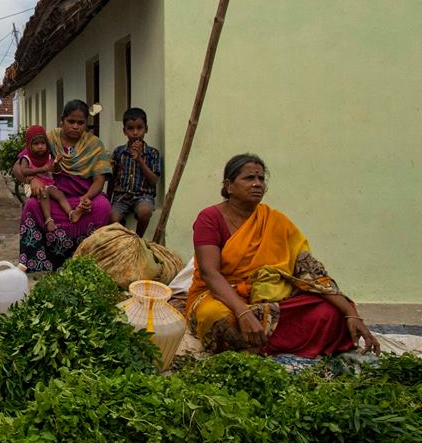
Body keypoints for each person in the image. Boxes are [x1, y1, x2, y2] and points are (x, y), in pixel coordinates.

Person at [186, 153, 380, 357]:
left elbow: (310, 273)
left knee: (332, 313)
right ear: (229, 186)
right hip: (219, 296)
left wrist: (351, 312)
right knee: (216, 317)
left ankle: (258, 344)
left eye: (261, 179)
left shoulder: (276, 221)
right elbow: (210, 273)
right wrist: (243, 312)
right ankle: (261, 342)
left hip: (269, 296)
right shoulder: (210, 218)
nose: (257, 184)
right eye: (249, 178)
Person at [13, 99, 112, 272]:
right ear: (62, 120)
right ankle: (35, 261)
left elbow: (99, 179)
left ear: (86, 124)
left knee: (103, 206)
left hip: (83, 199)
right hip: (55, 199)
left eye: (81, 123)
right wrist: (32, 179)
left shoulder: (94, 144)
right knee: (31, 205)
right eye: (71, 121)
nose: (75, 126)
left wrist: (87, 198)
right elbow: (18, 167)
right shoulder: (49, 139)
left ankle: (90, 261)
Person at [107, 107, 161, 237]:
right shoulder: (118, 152)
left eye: (139, 128)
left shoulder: (152, 153)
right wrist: (108, 199)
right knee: (113, 218)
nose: (135, 132)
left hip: (143, 196)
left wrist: (140, 160)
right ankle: (122, 240)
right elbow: (112, 178)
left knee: (145, 211)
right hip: (122, 197)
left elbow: (154, 180)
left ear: (146, 129)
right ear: (124, 131)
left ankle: (137, 239)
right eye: (130, 128)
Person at [16, 125, 74, 233]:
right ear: (29, 145)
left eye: (43, 143)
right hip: (34, 186)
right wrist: (41, 169)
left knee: (59, 194)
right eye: (36, 144)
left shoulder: (48, 156)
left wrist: (56, 163)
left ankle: (71, 213)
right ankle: (48, 219)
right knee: (44, 194)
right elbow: (24, 171)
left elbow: (54, 170)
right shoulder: (26, 157)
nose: (40, 146)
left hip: (49, 184)